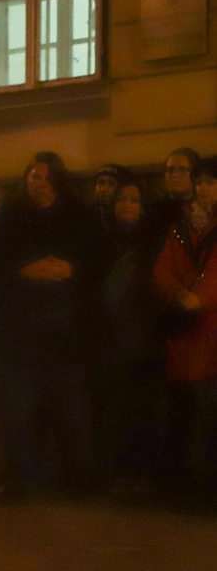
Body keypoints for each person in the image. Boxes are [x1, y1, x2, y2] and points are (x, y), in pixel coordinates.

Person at [0, 151, 101, 494]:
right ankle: (18, 479)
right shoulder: (9, 217)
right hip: (20, 333)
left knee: (72, 412)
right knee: (19, 411)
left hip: (66, 332)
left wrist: (71, 269)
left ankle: (80, 480)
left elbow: (99, 262)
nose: (41, 184)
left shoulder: (79, 217)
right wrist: (23, 272)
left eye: (47, 177)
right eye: (35, 177)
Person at [153, 156, 217, 495]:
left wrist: (199, 298)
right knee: (183, 408)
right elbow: (163, 267)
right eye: (201, 181)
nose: (203, 188)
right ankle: (183, 481)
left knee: (207, 408)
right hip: (185, 328)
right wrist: (179, 293)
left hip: (210, 329)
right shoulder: (182, 224)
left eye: (211, 182)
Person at [98, 176, 164, 488]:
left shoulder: (153, 244)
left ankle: (143, 473)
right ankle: (117, 472)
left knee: (143, 408)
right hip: (108, 338)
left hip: (144, 339)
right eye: (122, 199)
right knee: (113, 408)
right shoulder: (101, 242)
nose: (127, 205)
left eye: (134, 200)